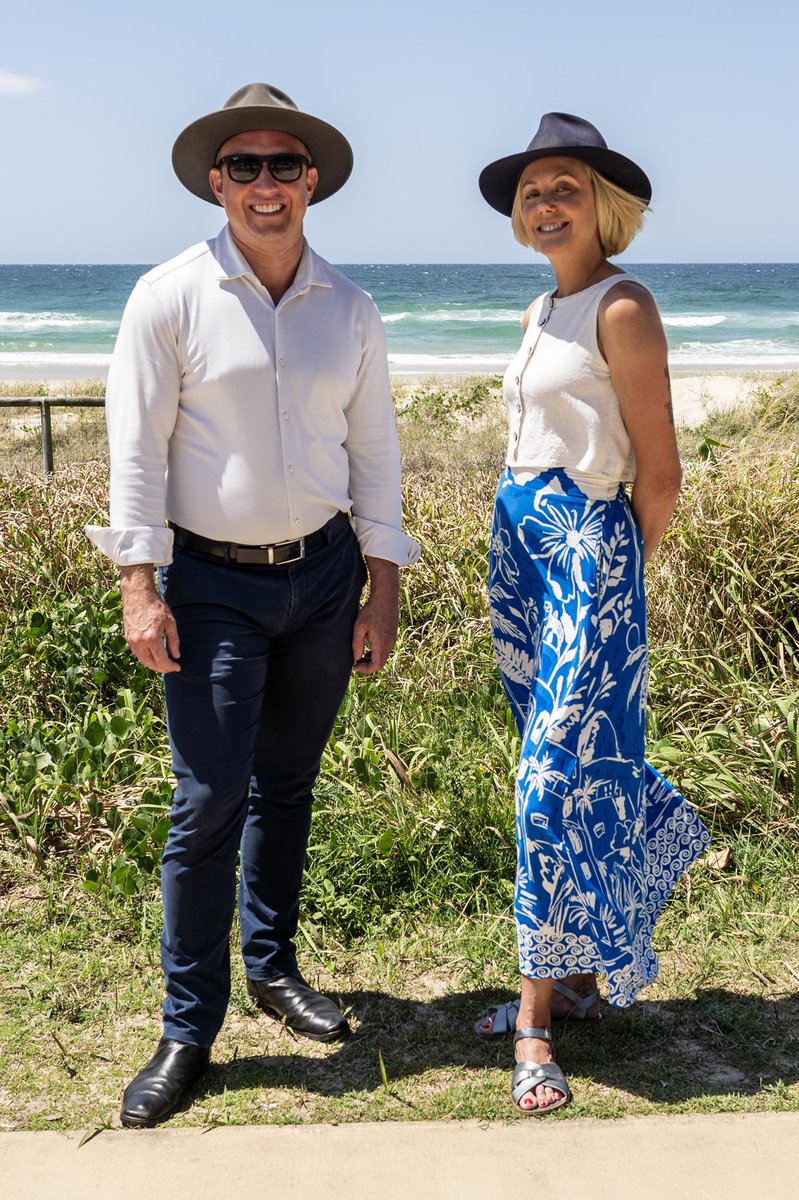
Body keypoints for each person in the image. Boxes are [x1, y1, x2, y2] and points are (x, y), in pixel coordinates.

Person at [86, 82, 420, 1127]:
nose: (264, 185)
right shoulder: (167, 297)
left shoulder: (351, 308)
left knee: (289, 786)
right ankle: (190, 1028)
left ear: (311, 181)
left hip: (323, 580)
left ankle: (273, 969)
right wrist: (140, 585)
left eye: (283, 166)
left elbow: (374, 455)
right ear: (216, 183)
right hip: (212, 585)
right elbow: (134, 453)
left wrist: (383, 584)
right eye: (244, 167)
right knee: (206, 802)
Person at [474, 113, 710, 1115]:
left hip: (587, 556)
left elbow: (658, 472)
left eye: (564, 184)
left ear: (603, 205)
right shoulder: (539, 312)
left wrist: (614, 581)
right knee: (571, 766)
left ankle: (535, 1019)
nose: (545, 202)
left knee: (546, 785)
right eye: (533, 190)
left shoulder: (623, 306)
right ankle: (576, 975)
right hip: (521, 550)